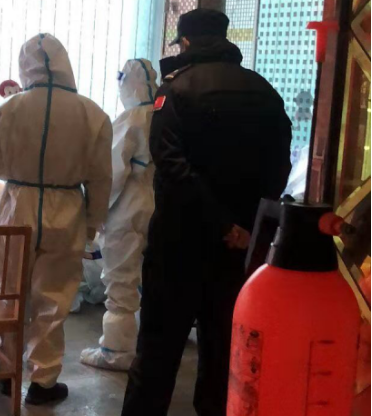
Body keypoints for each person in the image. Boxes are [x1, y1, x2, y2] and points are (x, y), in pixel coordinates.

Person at [122, 9, 292, 416]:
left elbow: (172, 169)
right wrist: (245, 227)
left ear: (185, 42)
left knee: (157, 357)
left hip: (179, 246)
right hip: (239, 252)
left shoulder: (174, 90)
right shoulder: (265, 91)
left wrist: (219, 223)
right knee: (222, 357)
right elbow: (280, 168)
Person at [0, 33, 113, 405]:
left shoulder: (9, 108)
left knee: (9, 290)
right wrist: (92, 222)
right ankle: (43, 381)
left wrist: (18, 172)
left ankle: (4, 374)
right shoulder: (92, 113)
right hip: (66, 207)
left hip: (18, 203)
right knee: (54, 298)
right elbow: (101, 177)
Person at [81, 58, 158, 372]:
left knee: (120, 281)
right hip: (160, 203)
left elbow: (111, 174)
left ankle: (116, 351)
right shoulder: (167, 115)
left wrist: (95, 212)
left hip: (129, 206)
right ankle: (152, 348)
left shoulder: (131, 118)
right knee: (154, 279)